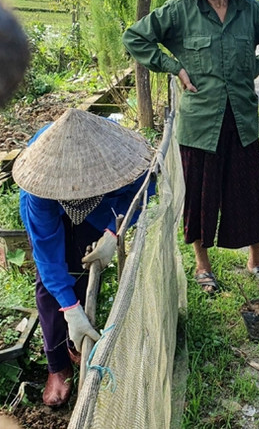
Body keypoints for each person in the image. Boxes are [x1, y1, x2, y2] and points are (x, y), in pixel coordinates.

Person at [123, 0, 259, 294]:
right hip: (200, 124)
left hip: (242, 120)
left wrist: (258, 65)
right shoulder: (180, 12)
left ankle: (255, 260)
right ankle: (202, 266)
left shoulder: (250, 11)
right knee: (200, 196)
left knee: (249, 192)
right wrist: (173, 67)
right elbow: (135, 37)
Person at [12, 108, 154, 407]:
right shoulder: (38, 191)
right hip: (53, 204)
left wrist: (113, 233)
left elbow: (143, 190)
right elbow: (48, 256)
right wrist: (68, 307)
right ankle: (57, 364)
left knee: (83, 265)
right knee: (49, 285)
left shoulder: (121, 161)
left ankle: (77, 340)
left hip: (102, 207)